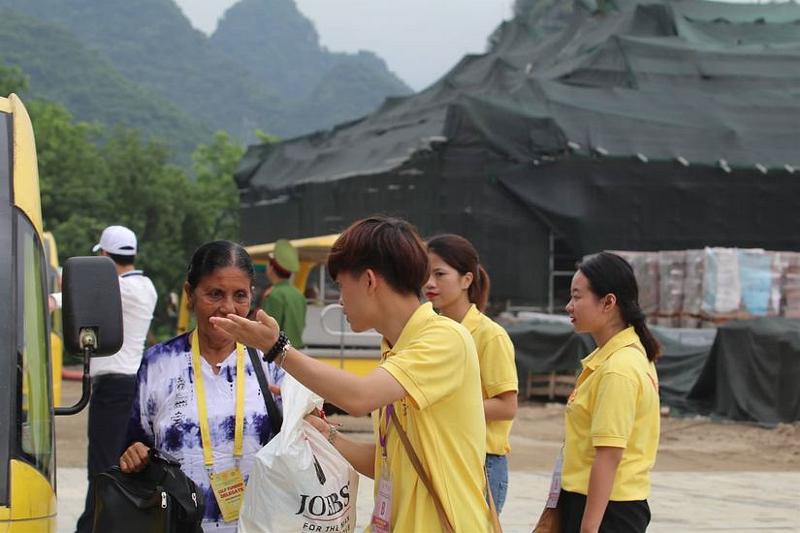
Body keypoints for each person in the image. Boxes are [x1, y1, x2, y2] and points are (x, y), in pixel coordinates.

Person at [211, 216, 494, 532]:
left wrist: (278, 349)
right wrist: (325, 434)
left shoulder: (445, 339)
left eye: (341, 286)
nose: (340, 300)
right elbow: (389, 462)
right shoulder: (395, 349)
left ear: (370, 281)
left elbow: (360, 397)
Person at [119, 241, 285, 532]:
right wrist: (134, 454)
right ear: (189, 295)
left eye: (240, 296)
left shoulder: (272, 360)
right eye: (215, 294)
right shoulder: (159, 362)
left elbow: (299, 439)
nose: (228, 307)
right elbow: (137, 443)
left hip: (258, 525)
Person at [560, 252, 661, 533]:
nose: (569, 306)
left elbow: (608, 455)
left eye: (577, 297)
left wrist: (589, 528)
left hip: (606, 511)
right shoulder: (615, 358)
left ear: (608, 302)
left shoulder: (619, 369)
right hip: (595, 503)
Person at [67, 225, 158, 533]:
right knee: (118, 462)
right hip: (132, 384)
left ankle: (93, 526)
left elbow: (73, 296)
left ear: (105, 256)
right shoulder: (146, 287)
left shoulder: (122, 288)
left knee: (103, 465)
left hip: (113, 388)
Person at [424, 233, 518, 513]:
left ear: (467, 279)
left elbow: (507, 405)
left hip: (481, 462)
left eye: (440, 274)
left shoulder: (490, 336)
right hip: (442, 455)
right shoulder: (428, 331)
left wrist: (448, 407)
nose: (429, 283)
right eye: (425, 274)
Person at [261, 238, 306, 347]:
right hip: (296, 353)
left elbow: (267, 333)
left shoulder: (274, 295)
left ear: (271, 268)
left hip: (277, 356)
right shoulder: (299, 295)